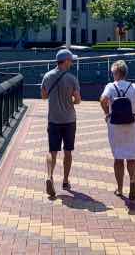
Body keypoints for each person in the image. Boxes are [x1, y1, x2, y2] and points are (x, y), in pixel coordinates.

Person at [100, 60, 135, 200]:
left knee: (118, 158)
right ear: (125, 73)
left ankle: (120, 188)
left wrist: (107, 114)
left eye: (113, 73)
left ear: (116, 73)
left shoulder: (110, 87)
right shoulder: (134, 87)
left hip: (115, 125)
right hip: (132, 124)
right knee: (132, 157)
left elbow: (102, 100)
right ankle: (133, 181)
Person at [41, 48, 81, 197]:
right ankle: (65, 180)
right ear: (65, 61)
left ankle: (49, 176)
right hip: (69, 120)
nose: (72, 63)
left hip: (53, 119)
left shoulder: (47, 76)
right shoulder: (72, 78)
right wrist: (69, 99)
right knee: (68, 151)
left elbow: (44, 96)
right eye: (70, 60)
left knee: (52, 151)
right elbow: (78, 100)